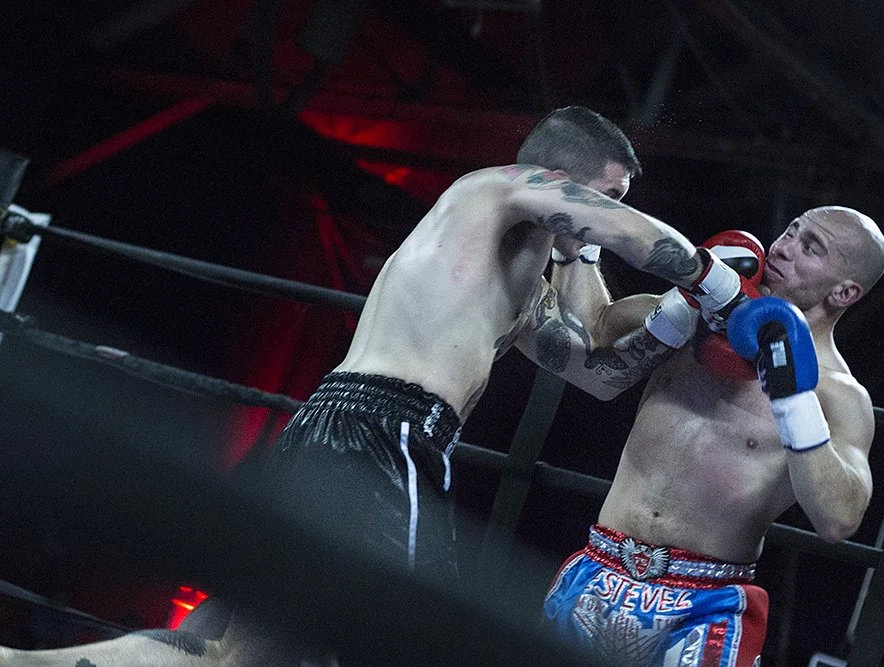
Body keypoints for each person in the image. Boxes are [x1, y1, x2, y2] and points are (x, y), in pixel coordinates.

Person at [0, 106, 755, 666]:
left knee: (234, 650)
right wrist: (710, 276)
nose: (607, 219)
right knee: (424, 634)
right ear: (561, 181)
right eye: (608, 196)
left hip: (355, 430)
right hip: (380, 434)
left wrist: (682, 315)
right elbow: (627, 234)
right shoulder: (490, 192)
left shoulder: (529, 273)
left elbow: (592, 369)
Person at [522, 207, 884, 666]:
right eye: (792, 231)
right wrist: (578, 252)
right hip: (599, 567)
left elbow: (839, 519)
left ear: (845, 291)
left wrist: (794, 400)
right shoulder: (696, 317)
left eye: (811, 247)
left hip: (704, 602)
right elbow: (594, 329)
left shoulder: (837, 395)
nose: (784, 248)